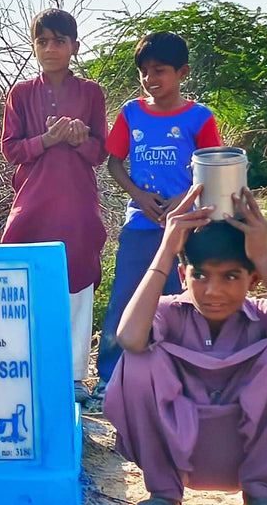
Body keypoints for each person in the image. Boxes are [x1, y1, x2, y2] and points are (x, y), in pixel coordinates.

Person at [104, 185, 267, 505]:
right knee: (139, 359)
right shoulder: (167, 313)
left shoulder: (264, 314)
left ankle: (263, 495)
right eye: (200, 276)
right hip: (183, 451)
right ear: (184, 276)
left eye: (230, 277)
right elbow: (130, 339)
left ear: (251, 280)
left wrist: (266, 262)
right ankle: (164, 496)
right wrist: (166, 250)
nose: (213, 292)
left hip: (245, 451)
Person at [93, 32, 221, 398]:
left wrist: (183, 197)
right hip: (141, 223)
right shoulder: (131, 113)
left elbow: (211, 167)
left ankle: (184, 377)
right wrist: (139, 196)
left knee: (183, 299)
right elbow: (115, 163)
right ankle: (109, 380)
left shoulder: (200, 117)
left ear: (182, 72)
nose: (150, 79)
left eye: (159, 70)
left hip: (189, 226)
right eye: (144, 71)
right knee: (126, 297)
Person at [0, 8, 108, 404]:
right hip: (32, 204)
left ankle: (76, 376)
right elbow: (10, 150)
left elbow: (100, 153)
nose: (50, 49)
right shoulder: (22, 94)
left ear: (74, 47)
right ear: (34, 46)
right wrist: (45, 140)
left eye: (59, 41)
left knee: (78, 284)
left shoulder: (91, 93)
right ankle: (20, 364)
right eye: (42, 41)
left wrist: (79, 139)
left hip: (78, 206)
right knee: (21, 281)